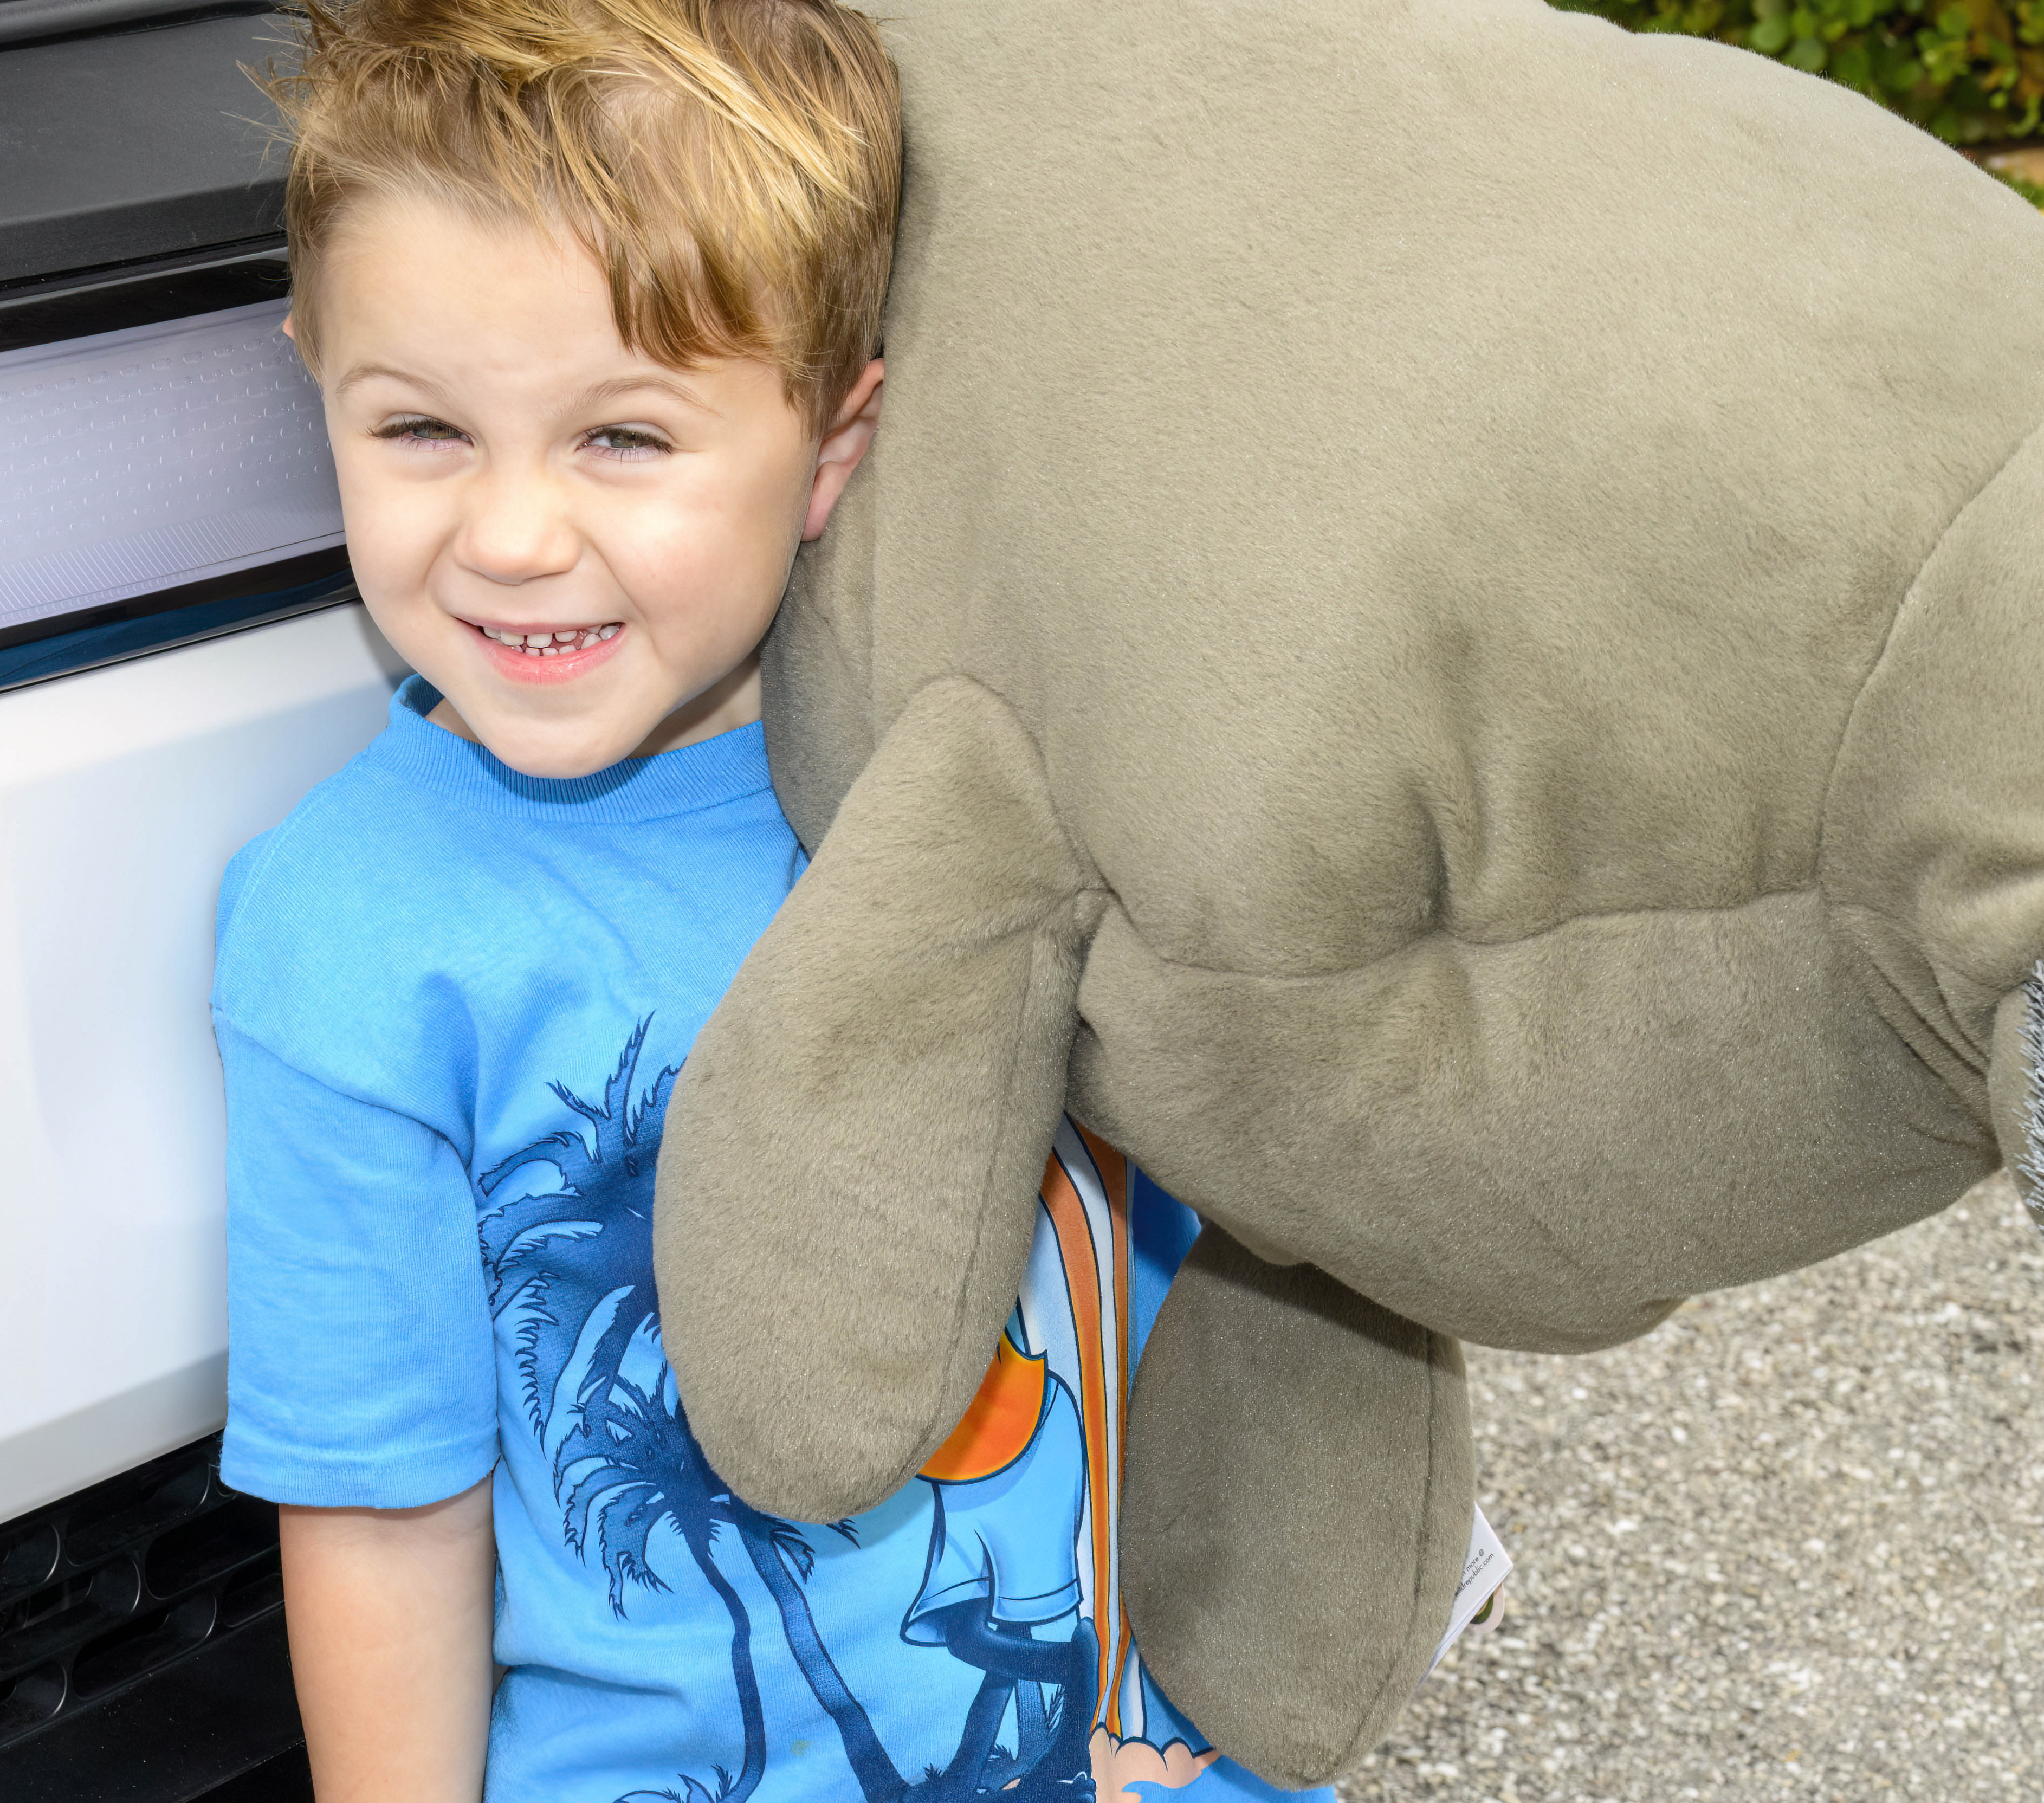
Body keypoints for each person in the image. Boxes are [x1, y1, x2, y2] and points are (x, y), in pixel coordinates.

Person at [211, 0, 1334, 1796]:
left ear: (832, 444)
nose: (507, 534)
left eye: (624, 440)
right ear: (316, 381)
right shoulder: (347, 936)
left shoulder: (1012, 768)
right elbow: (382, 1513)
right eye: (422, 430)